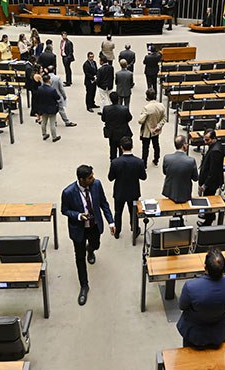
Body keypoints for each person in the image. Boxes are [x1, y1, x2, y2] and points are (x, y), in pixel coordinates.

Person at [61, 164, 115, 305]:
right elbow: (64, 210)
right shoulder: (68, 192)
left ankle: (90, 250)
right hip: (78, 229)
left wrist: (111, 222)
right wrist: (78, 215)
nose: (94, 178)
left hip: (94, 225)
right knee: (80, 258)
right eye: (90, 177)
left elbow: (104, 203)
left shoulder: (96, 185)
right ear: (81, 180)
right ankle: (84, 286)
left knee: (95, 245)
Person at [176, 248, 225, 349]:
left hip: (194, 335)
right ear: (224, 269)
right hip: (219, 332)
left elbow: (182, 306)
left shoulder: (191, 286)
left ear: (205, 268)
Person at [107, 136, 147, 238]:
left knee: (118, 212)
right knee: (133, 212)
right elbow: (143, 177)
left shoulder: (115, 162)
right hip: (133, 191)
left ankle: (117, 231)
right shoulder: (139, 162)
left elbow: (110, 178)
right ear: (132, 146)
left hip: (119, 191)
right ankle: (134, 229)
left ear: (121, 147)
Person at [198, 129, 224, 226]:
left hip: (211, 183)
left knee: (209, 201)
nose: (205, 142)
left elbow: (213, 172)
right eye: (204, 139)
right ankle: (207, 214)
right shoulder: (215, 145)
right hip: (211, 180)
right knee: (208, 199)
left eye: (207, 140)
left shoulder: (215, 151)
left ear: (214, 139)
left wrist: (205, 185)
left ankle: (208, 221)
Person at [162, 135, 199, 203]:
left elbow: (165, 172)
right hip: (184, 193)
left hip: (170, 191)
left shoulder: (167, 158)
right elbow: (195, 178)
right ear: (184, 145)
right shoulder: (191, 161)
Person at [138, 88, 166, 166]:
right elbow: (164, 118)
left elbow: (140, 121)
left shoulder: (147, 108)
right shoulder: (161, 106)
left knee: (145, 148)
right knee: (156, 145)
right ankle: (156, 159)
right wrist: (159, 126)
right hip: (156, 129)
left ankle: (144, 163)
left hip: (147, 130)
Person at [101, 92, 132, 160]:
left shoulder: (106, 109)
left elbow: (103, 119)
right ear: (118, 99)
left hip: (112, 133)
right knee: (122, 150)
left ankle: (113, 162)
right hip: (123, 132)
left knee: (112, 149)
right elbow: (129, 118)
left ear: (110, 99)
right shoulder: (124, 109)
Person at [34, 74, 61, 142]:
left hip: (43, 108)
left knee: (44, 122)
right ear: (49, 80)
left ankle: (44, 134)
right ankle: (54, 137)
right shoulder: (52, 90)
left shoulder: (39, 88)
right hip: (51, 108)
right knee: (52, 123)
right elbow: (58, 97)